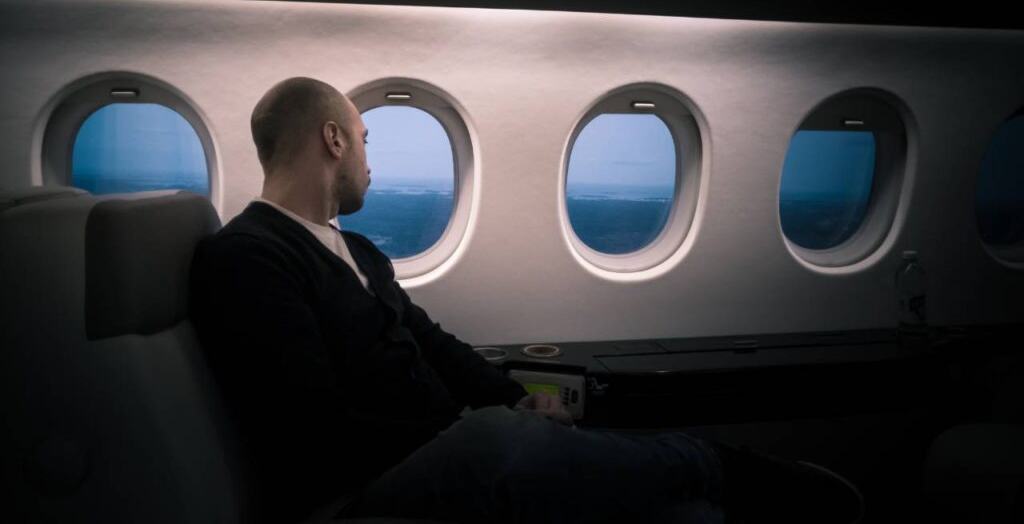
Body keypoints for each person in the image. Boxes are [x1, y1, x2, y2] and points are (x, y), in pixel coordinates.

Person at [189, 77, 865, 524]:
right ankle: (739, 471)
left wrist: (511, 396)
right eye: (365, 141)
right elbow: (314, 433)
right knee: (501, 443)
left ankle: (717, 494)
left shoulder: (359, 252)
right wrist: (464, 430)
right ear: (333, 139)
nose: (372, 161)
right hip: (357, 485)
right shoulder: (250, 257)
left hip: (436, 447)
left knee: (683, 515)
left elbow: (434, 344)